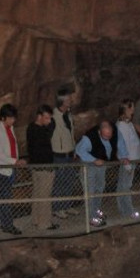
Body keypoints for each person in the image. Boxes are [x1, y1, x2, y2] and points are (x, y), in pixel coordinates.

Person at [75, 120, 128, 227]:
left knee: (100, 187)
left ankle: (95, 210)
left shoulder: (115, 132)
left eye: (110, 136)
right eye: (105, 137)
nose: (108, 139)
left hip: (101, 163)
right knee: (90, 190)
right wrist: (93, 160)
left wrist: (123, 156)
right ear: (99, 132)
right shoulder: (89, 137)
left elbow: (120, 142)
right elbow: (79, 150)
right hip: (89, 165)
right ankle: (91, 217)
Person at [0, 104, 26, 235]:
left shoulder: (9, 129)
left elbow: (12, 147)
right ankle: (7, 224)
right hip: (2, 170)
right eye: (10, 118)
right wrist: (15, 161)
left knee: (4, 196)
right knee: (6, 197)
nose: (13, 121)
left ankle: (0, 222)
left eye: (13, 118)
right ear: (3, 117)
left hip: (9, 168)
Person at [26, 104, 60, 231]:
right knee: (45, 195)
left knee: (37, 194)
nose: (49, 121)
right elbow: (43, 149)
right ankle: (44, 223)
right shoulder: (40, 130)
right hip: (44, 167)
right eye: (46, 118)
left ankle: (36, 220)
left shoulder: (30, 128)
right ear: (39, 116)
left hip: (36, 167)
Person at [50, 89, 78, 218]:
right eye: (68, 99)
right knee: (59, 181)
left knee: (69, 180)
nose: (70, 101)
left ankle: (66, 205)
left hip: (69, 153)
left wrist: (74, 149)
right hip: (59, 155)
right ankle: (57, 208)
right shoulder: (54, 117)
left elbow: (71, 133)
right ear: (62, 101)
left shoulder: (68, 115)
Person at [116, 99, 140, 219]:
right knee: (125, 186)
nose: (133, 111)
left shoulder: (128, 124)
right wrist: (127, 164)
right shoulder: (122, 126)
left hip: (133, 160)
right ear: (125, 110)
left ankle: (125, 209)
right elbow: (122, 146)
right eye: (131, 108)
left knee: (125, 185)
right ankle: (127, 210)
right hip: (128, 161)